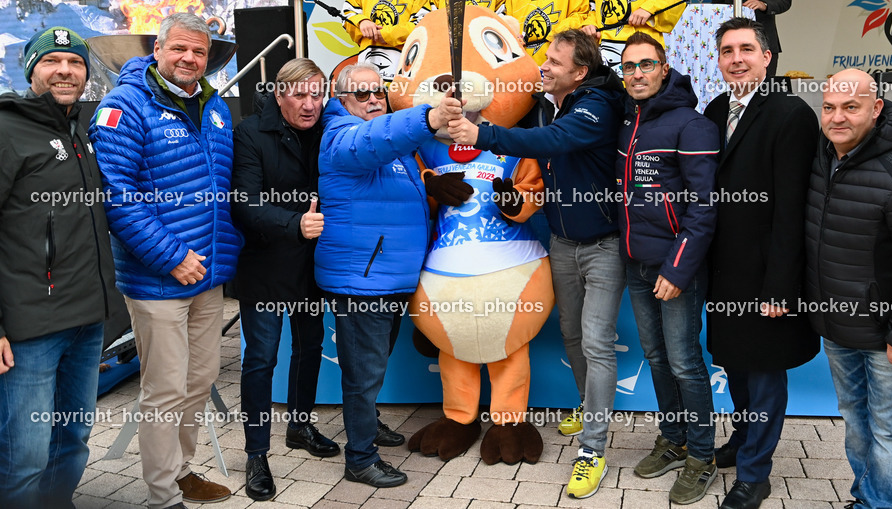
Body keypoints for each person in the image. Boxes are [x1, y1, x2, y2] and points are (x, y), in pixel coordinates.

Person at [448, 29, 625, 499]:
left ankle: (593, 449)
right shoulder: (552, 100)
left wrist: (482, 134)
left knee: (596, 342)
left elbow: (554, 141)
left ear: (580, 72)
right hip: (563, 243)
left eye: (553, 61)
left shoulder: (596, 104)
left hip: (605, 244)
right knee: (571, 334)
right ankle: (590, 407)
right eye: (544, 59)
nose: (542, 67)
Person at [90, 12, 243, 509]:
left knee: (199, 381)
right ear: (157, 49)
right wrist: (172, 257)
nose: (189, 59)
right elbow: (117, 196)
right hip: (159, 279)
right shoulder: (125, 106)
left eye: (198, 52)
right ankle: (162, 495)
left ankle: (182, 472)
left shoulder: (213, 105)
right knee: (164, 389)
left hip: (209, 277)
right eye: (179, 49)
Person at [805, 69, 892, 509]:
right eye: (829, 107)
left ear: (876, 108)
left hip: (888, 335)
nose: (838, 117)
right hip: (837, 327)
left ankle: (874, 503)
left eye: (851, 107)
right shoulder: (825, 156)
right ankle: (868, 496)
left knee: (891, 430)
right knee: (856, 423)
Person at [315, 64, 462, 488]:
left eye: (379, 91)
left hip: (388, 278)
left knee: (372, 370)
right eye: (362, 94)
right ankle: (360, 458)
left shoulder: (386, 136)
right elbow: (371, 143)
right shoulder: (341, 137)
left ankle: (369, 426)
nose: (374, 99)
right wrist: (428, 116)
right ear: (342, 101)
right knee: (363, 376)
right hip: (363, 282)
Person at [703, 18, 818, 509]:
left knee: (766, 372)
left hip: (768, 273)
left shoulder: (791, 114)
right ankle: (742, 439)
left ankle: (755, 473)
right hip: (723, 272)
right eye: (727, 50)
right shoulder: (713, 110)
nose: (736, 58)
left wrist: (781, 287)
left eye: (747, 49)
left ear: (766, 57)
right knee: (736, 365)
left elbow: (793, 209)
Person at [0, 27, 118, 508]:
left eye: (75, 62)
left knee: (71, 441)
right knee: (23, 456)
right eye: (52, 62)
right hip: (31, 328)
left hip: (87, 321)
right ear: (31, 70)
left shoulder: (80, 130)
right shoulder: (7, 131)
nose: (65, 71)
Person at [616, 32, 719, 504]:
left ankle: (702, 456)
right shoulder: (628, 123)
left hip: (675, 271)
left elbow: (703, 210)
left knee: (684, 363)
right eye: (629, 66)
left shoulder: (691, 125)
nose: (637, 73)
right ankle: (674, 440)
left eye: (645, 64)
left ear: (663, 67)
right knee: (657, 360)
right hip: (638, 266)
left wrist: (677, 271)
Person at [231, 59, 339, 502]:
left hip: (313, 264)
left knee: (310, 346)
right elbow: (243, 204)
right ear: (279, 94)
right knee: (261, 359)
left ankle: (300, 426)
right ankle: (257, 453)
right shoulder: (250, 133)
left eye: (318, 94)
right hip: (266, 262)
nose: (310, 104)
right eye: (300, 94)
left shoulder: (327, 130)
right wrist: (295, 223)